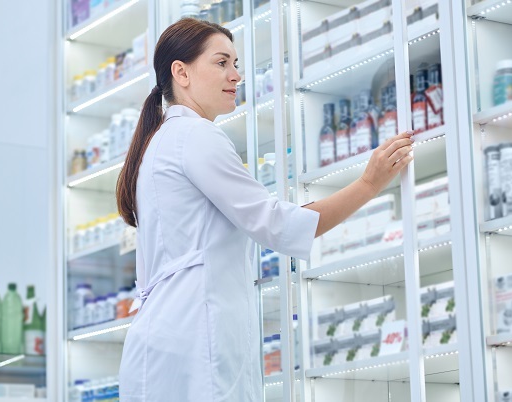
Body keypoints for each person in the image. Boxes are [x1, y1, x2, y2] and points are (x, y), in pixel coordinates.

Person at [116, 18, 413, 402]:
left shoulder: (159, 142)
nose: (236, 75)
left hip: (164, 343)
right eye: (221, 63)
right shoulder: (195, 135)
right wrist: (368, 184)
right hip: (195, 344)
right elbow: (276, 225)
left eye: (236, 64)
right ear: (181, 72)